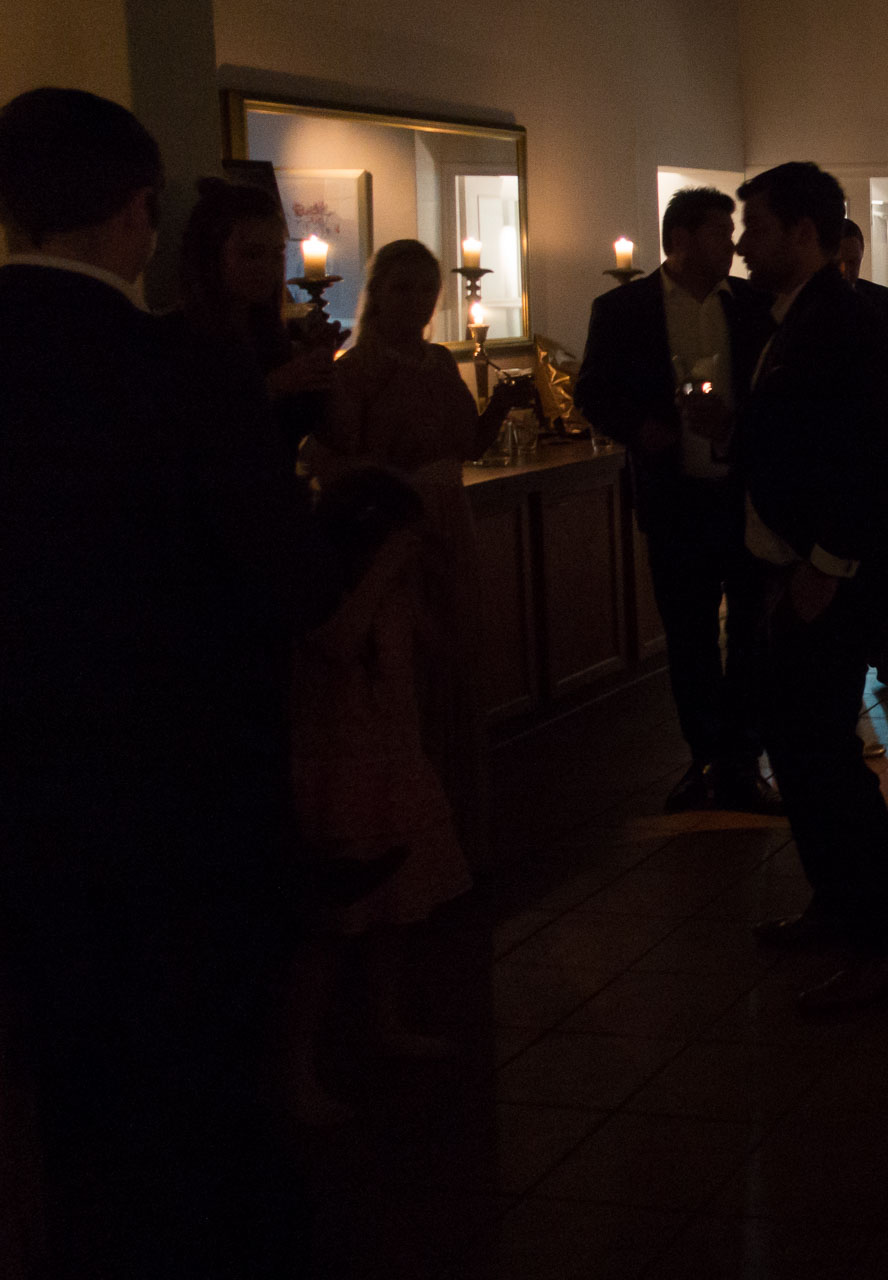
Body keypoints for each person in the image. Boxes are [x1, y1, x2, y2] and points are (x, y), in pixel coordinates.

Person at [0, 87, 338, 1277]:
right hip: (183, 801)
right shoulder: (180, 369)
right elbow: (286, 581)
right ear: (139, 211)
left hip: (24, 803)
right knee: (202, 1092)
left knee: (68, 1087)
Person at [730, 162, 888, 1014]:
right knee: (800, 749)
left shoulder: (842, 318)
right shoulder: (793, 314)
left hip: (828, 577)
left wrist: (826, 566)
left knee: (825, 759)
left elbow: (866, 454)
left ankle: (887, 939)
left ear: (803, 232)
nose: (744, 244)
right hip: (791, 567)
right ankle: (839, 904)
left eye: (758, 227)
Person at [312, 239, 534, 867]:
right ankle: (411, 831)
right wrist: (392, 491)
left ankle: (459, 822)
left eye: (426, 290)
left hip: (449, 520)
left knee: (457, 658)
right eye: (402, 288)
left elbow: (464, 444)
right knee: (407, 661)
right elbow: (335, 462)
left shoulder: (438, 361)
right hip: (396, 527)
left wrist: (501, 404)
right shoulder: (356, 370)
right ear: (377, 294)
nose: (415, 302)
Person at [576, 186, 781, 814]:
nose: (734, 244)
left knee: (751, 636)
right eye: (721, 231)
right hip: (675, 497)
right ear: (682, 239)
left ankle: (743, 762)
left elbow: (777, 393)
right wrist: (641, 428)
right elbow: (592, 391)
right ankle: (705, 760)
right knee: (689, 637)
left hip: (745, 494)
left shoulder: (754, 304)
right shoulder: (623, 308)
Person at [285, 467, 471, 1125]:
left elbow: (442, 655)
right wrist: (385, 571)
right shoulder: (320, 590)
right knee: (328, 929)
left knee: (396, 907)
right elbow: (337, 646)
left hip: (393, 760)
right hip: (339, 768)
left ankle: (385, 1023)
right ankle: (296, 1070)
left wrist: (436, 579)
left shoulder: (390, 591)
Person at [174, 176, 337, 459]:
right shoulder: (178, 339)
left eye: (276, 254)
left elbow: (301, 428)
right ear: (212, 256)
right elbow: (194, 435)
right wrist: (272, 387)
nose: (268, 268)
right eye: (252, 255)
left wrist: (317, 365)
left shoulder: (271, 335)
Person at [835, 214, 888, 691]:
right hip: (841, 448)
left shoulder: (877, 299)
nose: (849, 271)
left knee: (882, 558)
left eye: (855, 262)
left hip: (876, 444)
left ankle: (884, 650)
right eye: (841, 262)